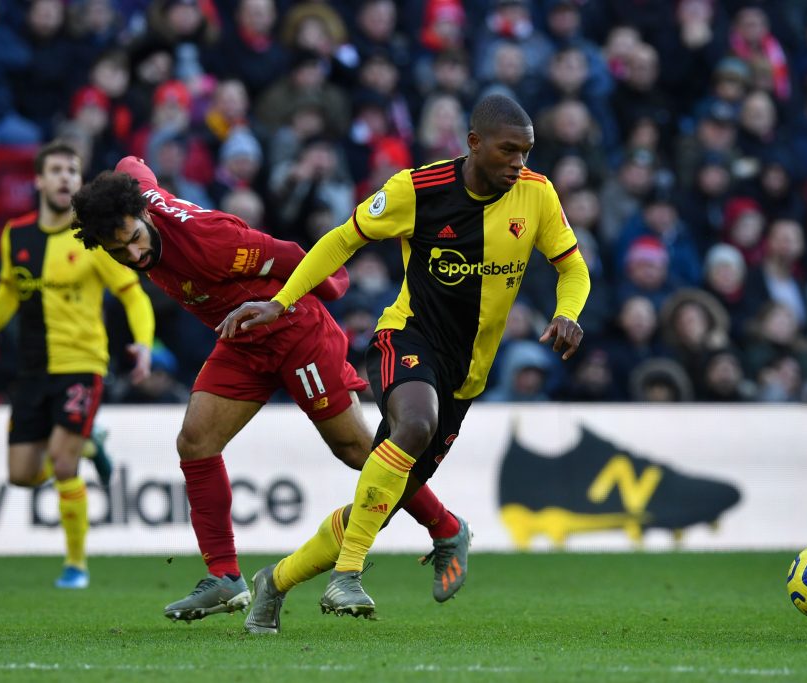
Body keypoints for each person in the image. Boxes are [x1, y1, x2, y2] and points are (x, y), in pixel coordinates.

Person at [227, 94, 589, 630]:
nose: (519, 162)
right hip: (407, 335)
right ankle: (348, 575)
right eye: (509, 150)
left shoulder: (537, 195)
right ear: (473, 144)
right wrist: (281, 302)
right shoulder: (415, 190)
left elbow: (573, 268)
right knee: (416, 424)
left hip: (467, 375)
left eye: (527, 152)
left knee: (376, 507)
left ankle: (274, 582)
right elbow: (339, 241)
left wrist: (568, 313)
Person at [69, 155, 471, 622]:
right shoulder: (134, 198)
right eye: (119, 252)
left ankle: (446, 528)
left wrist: (336, 287)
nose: (135, 256)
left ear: (143, 215)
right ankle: (224, 577)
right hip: (242, 339)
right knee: (196, 442)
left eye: (136, 240)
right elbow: (133, 165)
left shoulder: (207, 243)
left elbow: (285, 254)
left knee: (359, 449)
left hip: (293, 331)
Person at [0, 141, 155, 590]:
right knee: (21, 475)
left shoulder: (92, 238)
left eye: (72, 172)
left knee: (61, 462)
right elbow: (7, 295)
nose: (64, 178)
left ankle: (76, 565)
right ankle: (90, 443)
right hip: (33, 369)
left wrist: (144, 344)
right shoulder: (16, 234)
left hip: (83, 364)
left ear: (78, 182)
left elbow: (132, 293)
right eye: (55, 170)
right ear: (37, 180)